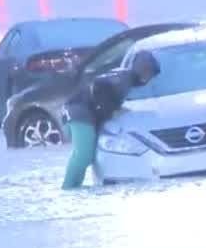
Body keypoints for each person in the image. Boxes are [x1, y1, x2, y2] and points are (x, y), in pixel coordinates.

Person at [61, 50, 161, 189]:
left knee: (87, 156)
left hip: (79, 111)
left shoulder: (124, 77)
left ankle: (75, 188)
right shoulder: (125, 78)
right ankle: (68, 189)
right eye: (147, 71)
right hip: (78, 111)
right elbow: (99, 85)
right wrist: (112, 109)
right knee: (83, 155)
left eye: (151, 73)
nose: (149, 77)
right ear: (141, 69)